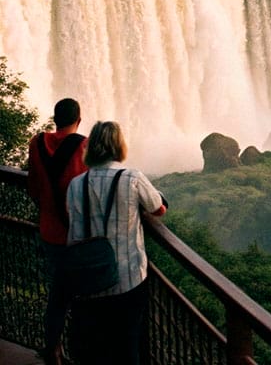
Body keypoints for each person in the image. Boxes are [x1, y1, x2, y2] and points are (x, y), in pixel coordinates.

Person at [66, 121, 166, 365]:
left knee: (95, 349)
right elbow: (158, 209)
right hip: (128, 278)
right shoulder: (131, 177)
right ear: (119, 146)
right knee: (128, 345)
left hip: (88, 279)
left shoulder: (76, 184)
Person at [26, 98, 88, 365]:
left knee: (58, 294)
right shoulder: (85, 146)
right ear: (79, 120)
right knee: (83, 297)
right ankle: (80, 353)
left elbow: (33, 187)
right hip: (79, 237)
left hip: (49, 232)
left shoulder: (36, 143)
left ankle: (53, 348)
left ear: (54, 119)